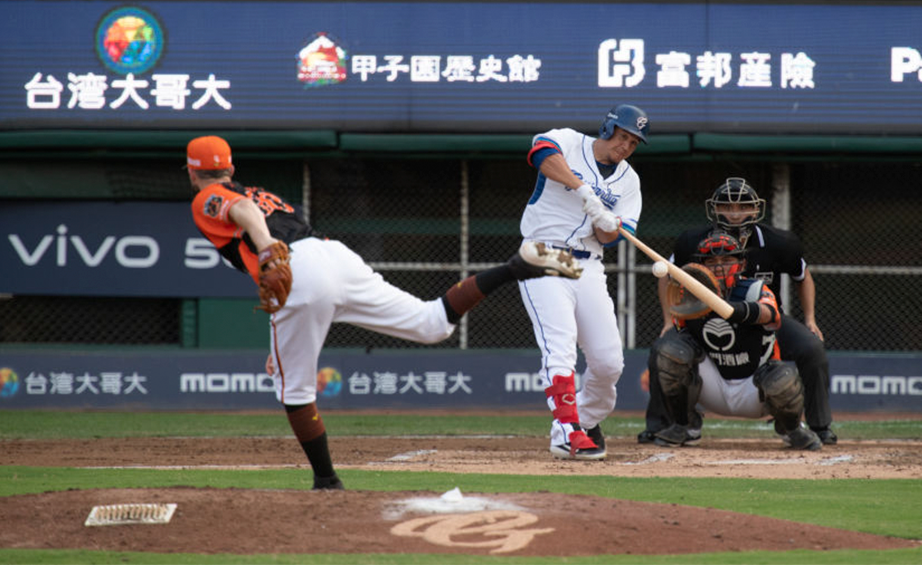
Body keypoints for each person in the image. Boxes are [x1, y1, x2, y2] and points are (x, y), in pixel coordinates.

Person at [185, 135, 582, 489]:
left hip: (296, 266)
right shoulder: (259, 191)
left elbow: (241, 212)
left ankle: (327, 481)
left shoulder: (206, 197)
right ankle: (515, 268)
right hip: (333, 255)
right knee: (432, 324)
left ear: (191, 171)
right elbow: (254, 212)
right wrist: (281, 341)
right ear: (232, 167)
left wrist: (267, 247)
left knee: (295, 392)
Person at [639, 177, 836, 445]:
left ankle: (817, 426)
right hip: (703, 315)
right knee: (665, 348)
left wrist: (810, 319)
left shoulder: (779, 242)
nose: (734, 213)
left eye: (742, 206)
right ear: (714, 209)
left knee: (811, 348)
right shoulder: (692, 241)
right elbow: (667, 274)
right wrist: (667, 320)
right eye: (726, 206)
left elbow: (803, 276)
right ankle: (670, 425)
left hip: (758, 315)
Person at [517, 104, 649, 460]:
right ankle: (565, 431)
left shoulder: (629, 181)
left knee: (609, 362)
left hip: (589, 264)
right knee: (559, 347)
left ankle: (586, 420)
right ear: (608, 129)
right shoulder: (568, 141)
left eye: (634, 142)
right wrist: (585, 192)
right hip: (544, 254)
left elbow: (609, 237)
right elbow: (541, 155)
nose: (626, 146)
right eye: (623, 136)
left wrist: (607, 223)